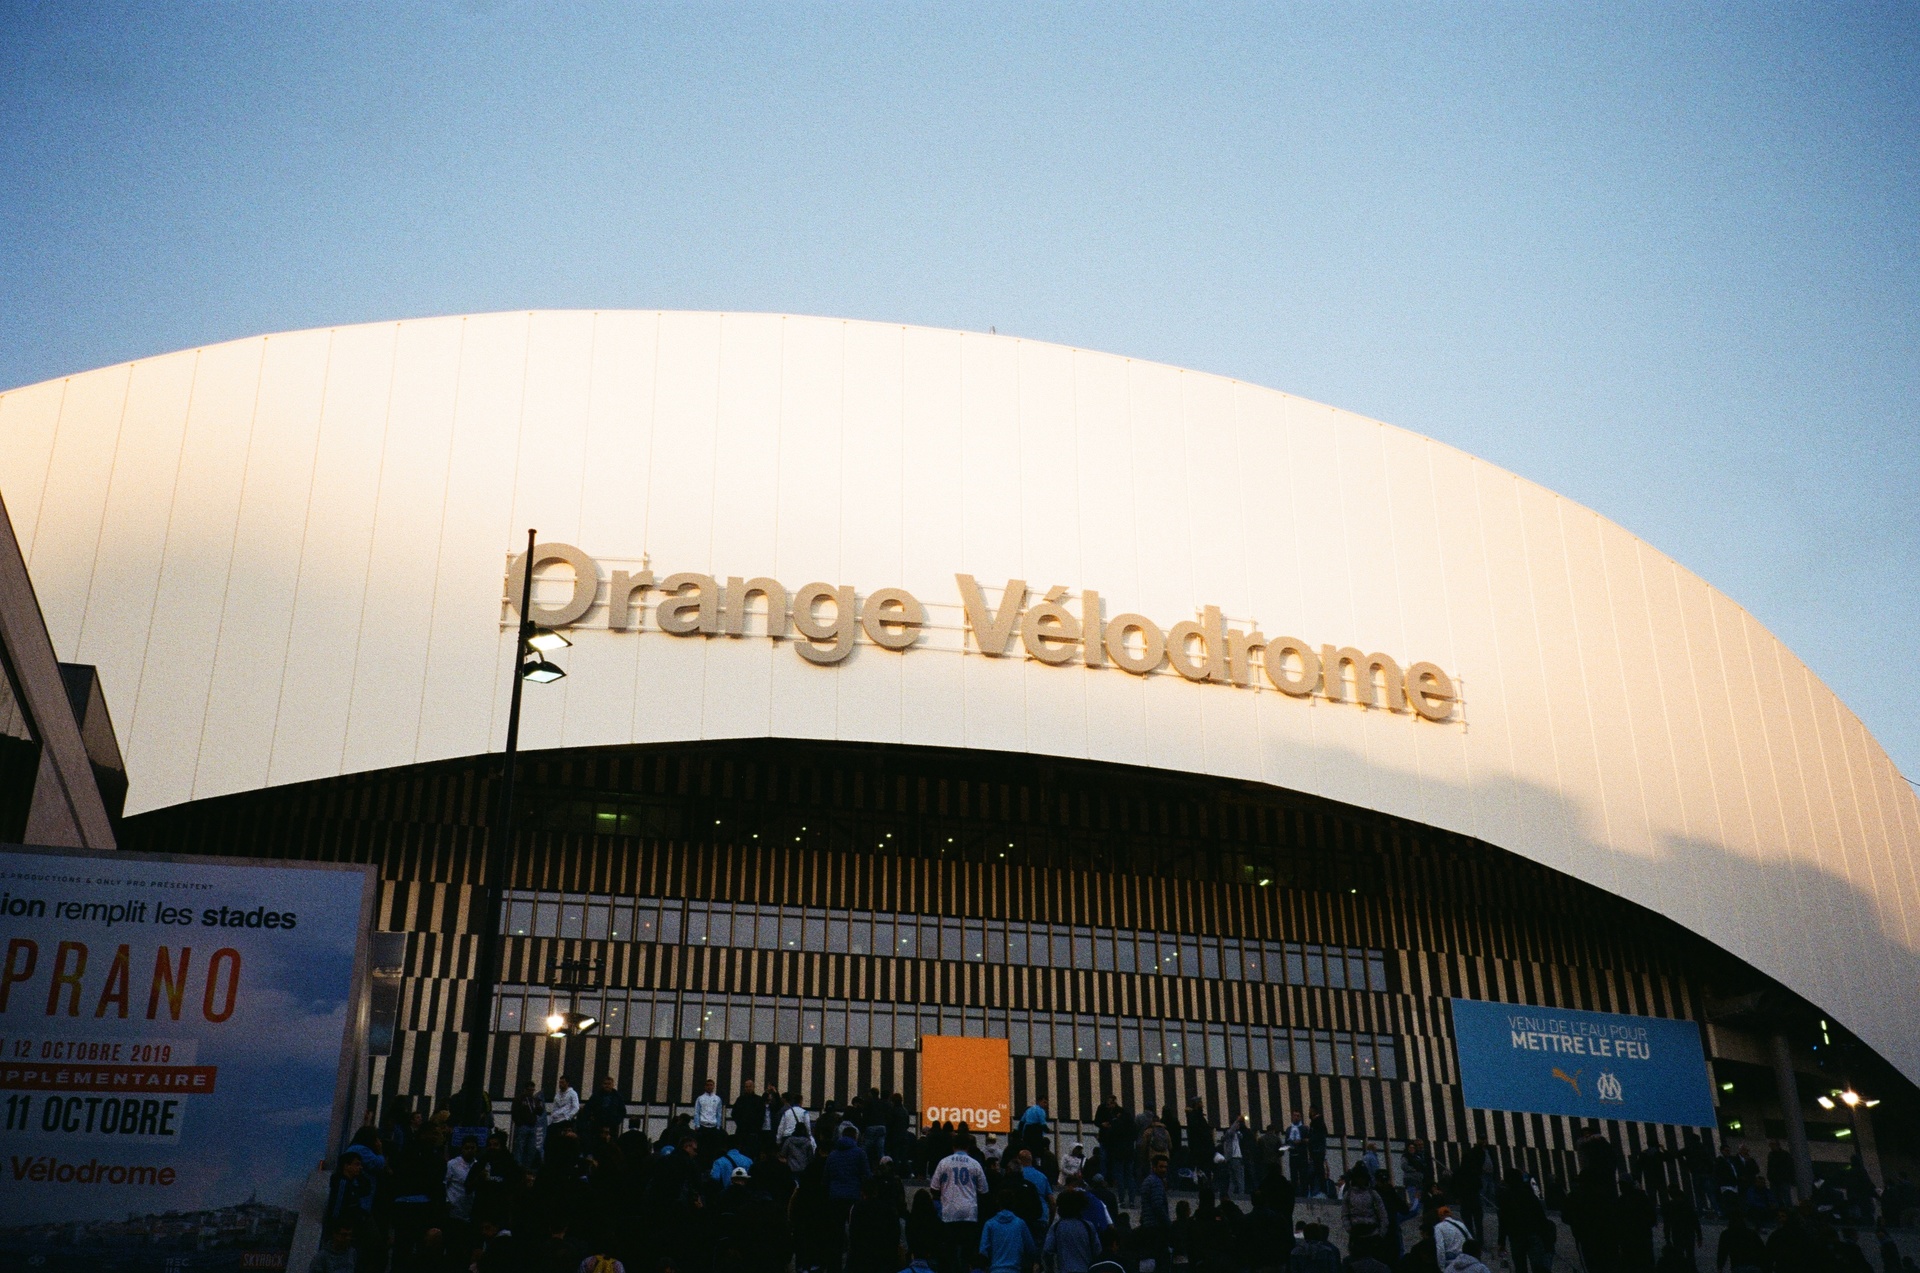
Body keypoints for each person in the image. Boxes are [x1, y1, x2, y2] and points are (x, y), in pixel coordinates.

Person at [932, 1132, 992, 1273]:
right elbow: (984, 1190)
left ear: (953, 1146)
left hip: (949, 1213)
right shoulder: (974, 1164)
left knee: (949, 1255)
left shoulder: (944, 1162)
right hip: (969, 1214)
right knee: (967, 1255)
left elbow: (933, 1188)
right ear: (968, 1147)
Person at [1045, 1189, 1102, 1273]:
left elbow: (1047, 1250)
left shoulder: (1056, 1227)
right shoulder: (1088, 1226)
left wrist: (1049, 1268)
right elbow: (1098, 1250)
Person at [981, 1196, 1041, 1273]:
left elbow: (983, 1250)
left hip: (995, 1269)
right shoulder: (1020, 1223)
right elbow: (1030, 1248)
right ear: (1013, 1204)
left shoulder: (989, 1224)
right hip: (1015, 1269)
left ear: (998, 1203)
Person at [1342, 1166, 1389, 1250]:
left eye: (1363, 1178)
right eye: (1358, 1178)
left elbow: (1383, 1214)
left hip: (1372, 1232)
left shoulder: (1373, 1193)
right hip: (1356, 1233)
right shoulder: (1348, 1194)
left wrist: (1381, 1233)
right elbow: (1345, 1215)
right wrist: (1350, 1229)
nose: (1361, 1180)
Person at [1139, 1155, 1172, 1271]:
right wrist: (1168, 1224)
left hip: (1148, 1226)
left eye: (1165, 1167)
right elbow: (1157, 1206)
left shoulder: (1148, 1181)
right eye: (1161, 1167)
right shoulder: (1156, 1182)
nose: (1164, 1169)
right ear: (1153, 1167)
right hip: (1157, 1228)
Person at [510, 1081, 545, 1169]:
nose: (531, 1092)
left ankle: (527, 1167)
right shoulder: (519, 1099)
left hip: (532, 1126)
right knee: (519, 1148)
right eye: (529, 1090)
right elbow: (514, 1112)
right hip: (523, 1126)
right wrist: (519, 1123)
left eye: (532, 1090)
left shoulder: (534, 1100)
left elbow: (540, 1112)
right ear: (525, 1089)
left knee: (531, 1148)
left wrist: (539, 1105)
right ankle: (517, 1166)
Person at [445, 1137, 479, 1223]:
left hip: (471, 1208)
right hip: (454, 1207)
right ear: (462, 1149)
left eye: (472, 1148)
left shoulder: (479, 1166)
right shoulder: (452, 1164)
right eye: (467, 1148)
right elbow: (445, 1183)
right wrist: (447, 1201)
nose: (470, 1150)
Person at [1433, 1204, 1472, 1271]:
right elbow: (1471, 1241)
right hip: (1464, 1257)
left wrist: (1441, 1267)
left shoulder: (1438, 1227)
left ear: (1440, 1215)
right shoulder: (1461, 1224)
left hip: (1450, 1259)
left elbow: (1440, 1248)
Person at [731, 1079, 767, 1150]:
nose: (748, 1088)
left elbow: (762, 1115)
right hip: (742, 1131)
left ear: (753, 1087)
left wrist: (757, 1126)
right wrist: (740, 1123)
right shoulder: (740, 1099)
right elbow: (734, 1113)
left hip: (754, 1131)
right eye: (746, 1087)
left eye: (750, 1086)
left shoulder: (759, 1100)